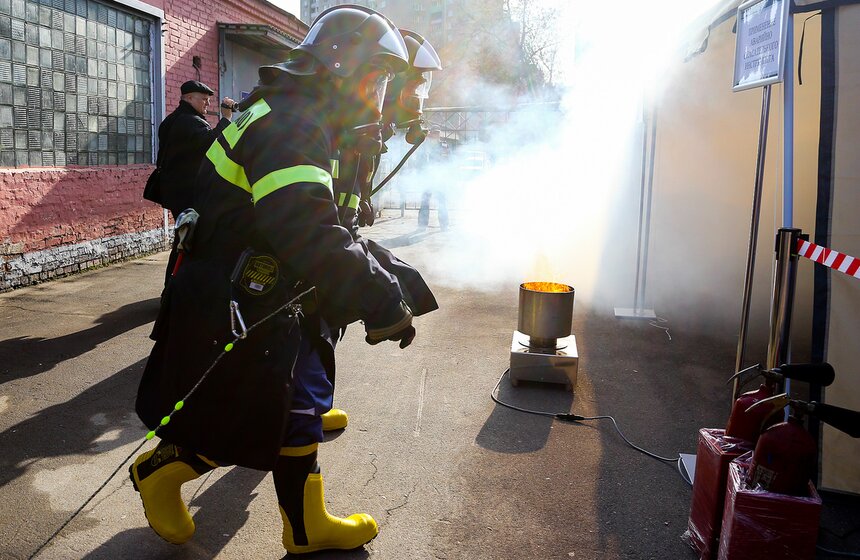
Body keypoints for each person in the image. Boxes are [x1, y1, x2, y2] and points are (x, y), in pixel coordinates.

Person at [129, 6, 419, 555]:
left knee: (287, 404)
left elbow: (308, 219)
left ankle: (302, 525)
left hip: (247, 286)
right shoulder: (292, 124)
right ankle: (163, 472)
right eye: (378, 77)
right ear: (347, 69)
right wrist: (379, 300)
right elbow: (306, 228)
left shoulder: (290, 112)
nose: (381, 91)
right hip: (239, 293)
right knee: (251, 409)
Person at [324, 28, 442, 431]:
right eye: (414, 87)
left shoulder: (369, 132)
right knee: (312, 332)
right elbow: (324, 229)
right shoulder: (347, 130)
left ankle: (311, 406)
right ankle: (300, 416)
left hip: (335, 241)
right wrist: (383, 293)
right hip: (307, 256)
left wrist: (362, 200)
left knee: (329, 326)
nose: (418, 98)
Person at [156, 80, 236, 219]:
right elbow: (213, 145)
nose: (208, 103)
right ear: (189, 98)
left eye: (209, 100)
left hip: (175, 190)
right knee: (196, 233)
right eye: (204, 99)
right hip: (190, 191)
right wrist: (226, 118)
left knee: (184, 230)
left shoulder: (170, 120)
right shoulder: (190, 121)